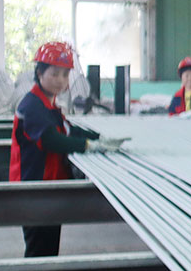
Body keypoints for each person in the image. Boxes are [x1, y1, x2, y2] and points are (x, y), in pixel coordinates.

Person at [11, 41, 126, 257]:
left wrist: (99, 137)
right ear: (39, 73)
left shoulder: (49, 104)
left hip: (49, 188)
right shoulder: (32, 106)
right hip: (34, 190)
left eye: (65, 75)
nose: (60, 80)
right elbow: (51, 140)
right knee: (39, 249)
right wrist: (89, 146)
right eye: (54, 74)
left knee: (48, 247)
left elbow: (67, 130)